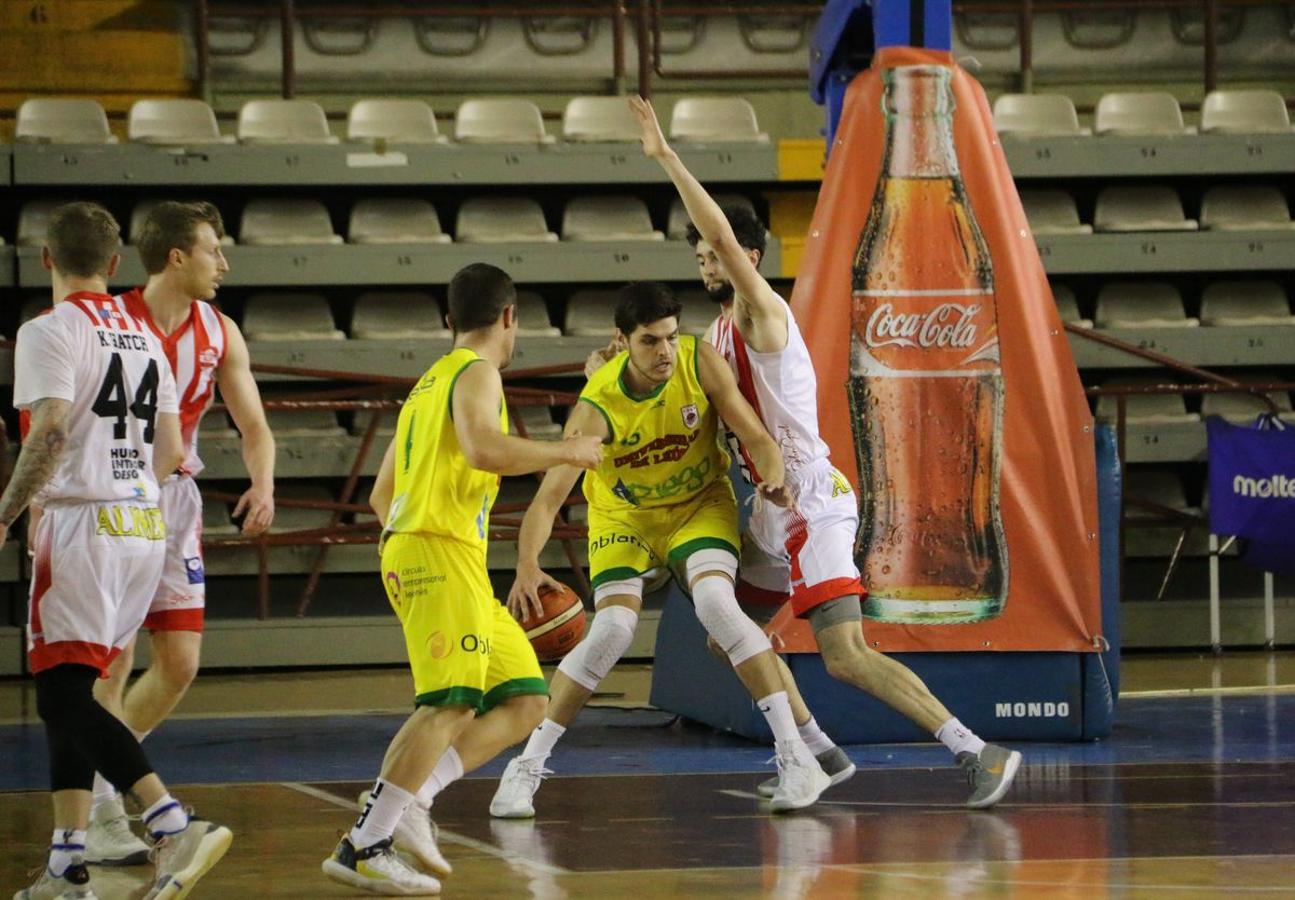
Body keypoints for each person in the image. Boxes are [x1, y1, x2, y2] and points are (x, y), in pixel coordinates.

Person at [624, 95, 1021, 808]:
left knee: (844, 655)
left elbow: (720, 233)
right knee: (725, 634)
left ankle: (976, 751)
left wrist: (666, 157)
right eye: (699, 256)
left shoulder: (762, 312)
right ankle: (819, 754)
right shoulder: (712, 339)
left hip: (809, 496)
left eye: (713, 252)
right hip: (769, 505)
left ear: (746, 257)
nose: (705, 261)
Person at [490, 282, 832, 819]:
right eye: (650, 341)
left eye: (671, 337)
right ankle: (526, 768)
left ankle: (796, 758)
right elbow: (547, 500)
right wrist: (527, 564)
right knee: (611, 630)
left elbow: (757, 437)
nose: (665, 351)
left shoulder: (700, 362)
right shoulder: (598, 406)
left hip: (698, 507)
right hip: (624, 518)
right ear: (622, 340)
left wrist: (773, 479)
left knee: (718, 606)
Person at [321, 263, 604, 895]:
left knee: (527, 699)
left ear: (450, 320)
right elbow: (483, 449)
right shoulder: (477, 373)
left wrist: (417, 539)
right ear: (509, 317)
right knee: (449, 702)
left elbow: (381, 496)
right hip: (438, 554)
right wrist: (567, 450)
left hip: (443, 557)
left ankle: (413, 800)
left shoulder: (427, 385)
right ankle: (365, 844)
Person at [6, 201, 231, 900]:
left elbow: (49, 431)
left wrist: (7, 513)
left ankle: (169, 820)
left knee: (63, 692)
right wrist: (129, 492)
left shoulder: (47, 330)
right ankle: (66, 862)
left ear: (47, 259)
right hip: (142, 525)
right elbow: (172, 448)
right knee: (69, 693)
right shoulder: (144, 338)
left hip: (83, 524)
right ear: (113, 263)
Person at [79, 200, 277, 866]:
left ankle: (106, 776)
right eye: (213, 251)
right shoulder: (110, 321)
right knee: (112, 662)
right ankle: (103, 810)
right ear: (176, 257)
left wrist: (262, 484)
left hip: (175, 501)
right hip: (114, 499)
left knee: (181, 663)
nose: (224, 264)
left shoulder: (220, 330)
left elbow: (255, 427)